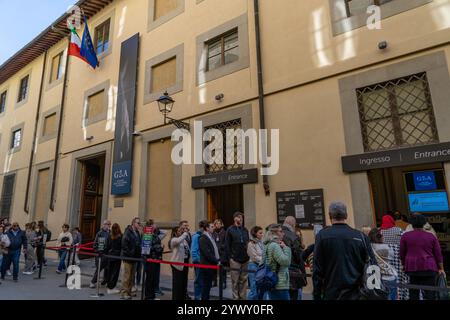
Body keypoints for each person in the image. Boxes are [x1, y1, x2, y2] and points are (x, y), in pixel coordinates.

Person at [313, 202, 370, 300]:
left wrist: (317, 294)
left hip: (331, 292)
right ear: (346, 215)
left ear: (330, 216)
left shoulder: (322, 236)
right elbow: (370, 264)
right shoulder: (360, 236)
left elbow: (317, 269)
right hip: (356, 292)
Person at [400, 214, 445, 300]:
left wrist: (403, 264)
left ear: (411, 224)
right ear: (424, 223)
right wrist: (441, 268)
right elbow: (438, 254)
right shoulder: (431, 236)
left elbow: (402, 253)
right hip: (429, 267)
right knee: (430, 293)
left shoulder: (405, 236)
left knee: (413, 293)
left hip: (412, 268)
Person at [380, 214, 408, 300]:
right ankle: (401, 296)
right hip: (398, 258)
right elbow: (406, 243)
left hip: (385, 259)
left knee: (388, 279)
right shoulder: (399, 230)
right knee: (399, 277)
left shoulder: (379, 232)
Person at [225, 212, 250, 300]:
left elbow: (247, 243)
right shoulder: (230, 230)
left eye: (242, 218)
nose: (241, 220)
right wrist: (230, 257)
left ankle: (243, 297)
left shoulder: (245, 230)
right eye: (239, 218)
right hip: (235, 259)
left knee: (243, 280)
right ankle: (235, 298)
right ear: (235, 219)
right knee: (235, 281)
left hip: (245, 259)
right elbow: (227, 245)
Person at [263, 224, 292, 300]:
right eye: (281, 231)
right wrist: (286, 248)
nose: (283, 233)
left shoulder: (267, 245)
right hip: (279, 283)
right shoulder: (274, 246)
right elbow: (286, 262)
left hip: (272, 281)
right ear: (274, 233)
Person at [369, 228, 398, 300]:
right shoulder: (386, 248)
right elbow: (392, 257)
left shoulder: (368, 247)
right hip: (388, 276)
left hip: (374, 277)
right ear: (381, 237)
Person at [282, 216, 307, 300]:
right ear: (293, 224)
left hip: (277, 273)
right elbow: (299, 258)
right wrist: (303, 275)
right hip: (292, 272)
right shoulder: (293, 236)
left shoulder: (274, 234)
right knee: (293, 296)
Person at [120, 217, 142, 300]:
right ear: (133, 223)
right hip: (128, 257)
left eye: (139, 223)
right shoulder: (128, 232)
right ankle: (124, 293)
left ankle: (129, 292)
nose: (139, 224)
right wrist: (130, 254)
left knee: (132, 277)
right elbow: (124, 245)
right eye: (138, 223)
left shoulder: (137, 232)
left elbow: (138, 244)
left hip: (135, 258)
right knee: (127, 276)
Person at [143, 220, 165, 300]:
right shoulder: (147, 235)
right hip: (150, 259)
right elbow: (146, 249)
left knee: (153, 278)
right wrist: (160, 247)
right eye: (154, 224)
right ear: (151, 225)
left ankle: (152, 296)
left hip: (155, 258)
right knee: (150, 278)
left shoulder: (154, 234)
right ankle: (148, 296)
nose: (156, 225)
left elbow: (163, 233)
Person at [199, 221, 220, 300]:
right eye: (211, 227)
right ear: (207, 228)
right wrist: (216, 261)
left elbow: (214, 249)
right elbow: (207, 253)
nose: (213, 228)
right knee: (206, 286)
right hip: (206, 266)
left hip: (211, 265)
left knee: (208, 286)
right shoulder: (203, 238)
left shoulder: (210, 236)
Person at [169, 226, 191, 300]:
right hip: (177, 264)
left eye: (180, 231)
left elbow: (187, 250)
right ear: (175, 233)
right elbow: (178, 241)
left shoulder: (183, 240)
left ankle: (182, 297)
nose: (180, 232)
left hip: (184, 263)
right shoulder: (173, 240)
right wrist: (185, 233)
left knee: (183, 283)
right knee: (177, 284)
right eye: (179, 231)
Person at [90, 220, 112, 288]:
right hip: (101, 254)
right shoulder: (100, 233)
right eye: (107, 224)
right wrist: (98, 251)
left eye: (109, 224)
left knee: (108, 269)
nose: (108, 226)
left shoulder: (111, 233)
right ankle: (93, 282)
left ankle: (105, 281)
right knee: (99, 269)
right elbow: (95, 244)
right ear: (104, 225)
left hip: (108, 254)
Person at [247, 226, 264, 300]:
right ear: (255, 234)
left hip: (260, 266)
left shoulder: (261, 243)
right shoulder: (251, 244)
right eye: (260, 233)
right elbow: (254, 257)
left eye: (262, 233)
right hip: (253, 266)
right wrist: (263, 260)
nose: (262, 234)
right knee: (254, 289)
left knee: (260, 288)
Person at [191, 220, 206, 300]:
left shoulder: (203, 235)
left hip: (203, 262)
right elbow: (194, 250)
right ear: (203, 228)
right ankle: (197, 297)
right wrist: (198, 261)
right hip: (199, 262)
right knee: (198, 280)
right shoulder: (196, 236)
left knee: (202, 280)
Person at [106, 223, 122, 295]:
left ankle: (109, 286)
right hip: (117, 256)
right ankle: (111, 287)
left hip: (110, 256)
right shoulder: (120, 236)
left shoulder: (110, 236)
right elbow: (121, 246)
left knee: (110, 272)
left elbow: (108, 246)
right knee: (115, 273)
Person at [212, 219, 227, 288]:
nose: (217, 225)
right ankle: (214, 281)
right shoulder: (213, 233)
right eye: (216, 224)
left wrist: (220, 247)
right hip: (214, 253)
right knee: (214, 268)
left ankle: (223, 282)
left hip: (222, 253)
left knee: (223, 269)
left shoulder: (224, 232)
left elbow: (226, 243)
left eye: (219, 223)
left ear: (221, 224)